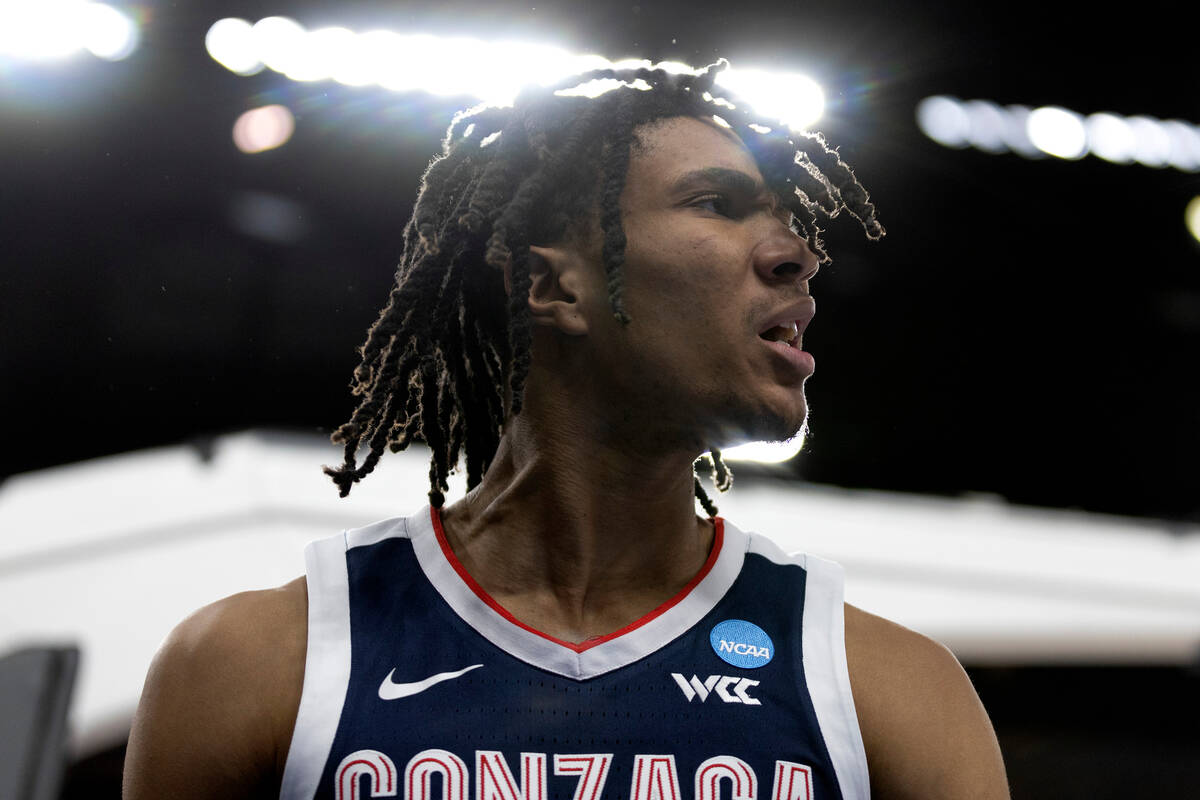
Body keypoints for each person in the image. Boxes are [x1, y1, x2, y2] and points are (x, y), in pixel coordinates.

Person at [124, 61, 1008, 799]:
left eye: (785, 219)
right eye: (715, 203)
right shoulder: (260, 664)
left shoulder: (887, 693)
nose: (794, 252)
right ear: (552, 290)